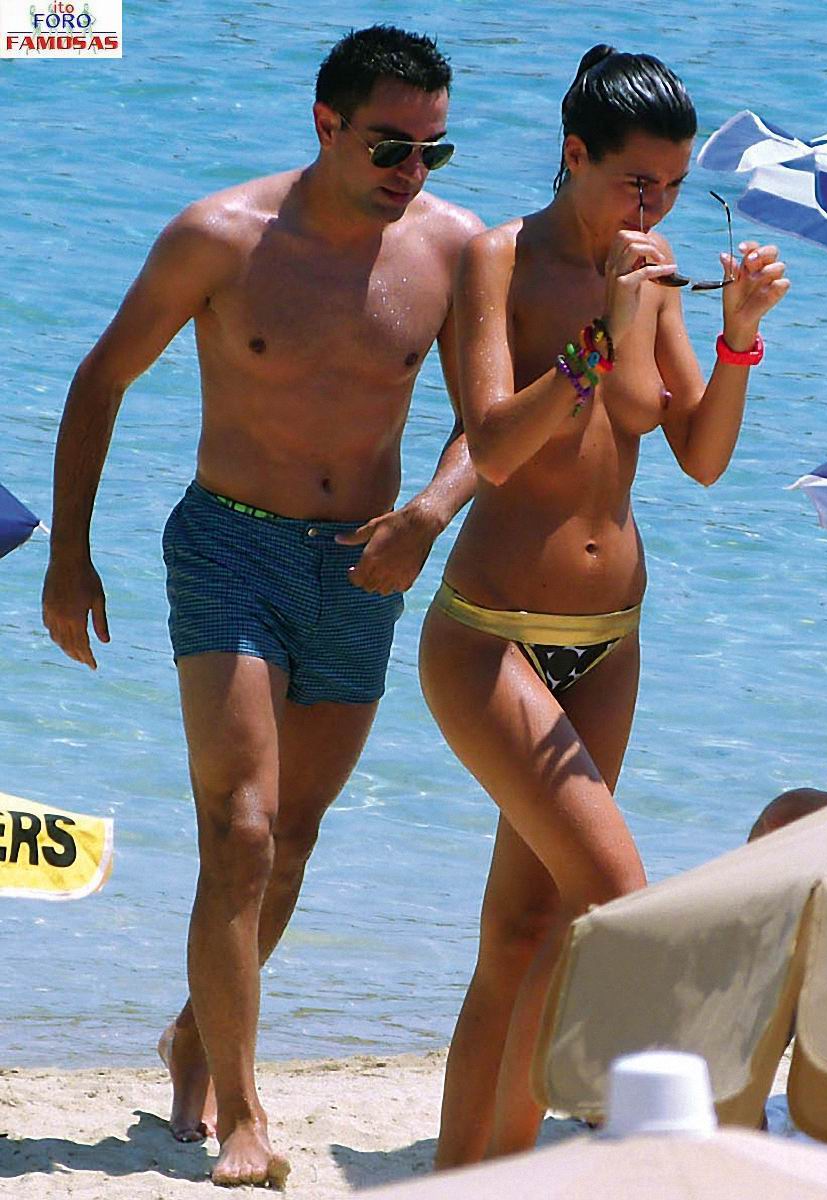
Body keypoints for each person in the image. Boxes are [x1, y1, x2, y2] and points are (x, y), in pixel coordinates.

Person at [42, 24, 481, 1189]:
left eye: (433, 150)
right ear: (326, 124)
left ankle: (195, 1035)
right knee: (239, 827)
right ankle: (242, 1108)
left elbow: (485, 416)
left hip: (366, 560)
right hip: (228, 545)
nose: (412, 172)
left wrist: (429, 516)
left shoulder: (451, 248)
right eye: (389, 146)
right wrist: (69, 555)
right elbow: (100, 379)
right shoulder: (220, 235)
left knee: (291, 841)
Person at [418, 43, 790, 1166]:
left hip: (610, 643)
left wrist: (736, 335)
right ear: (574, 153)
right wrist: (601, 340)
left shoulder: (656, 273)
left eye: (672, 186)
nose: (653, 207)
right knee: (615, 897)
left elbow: (701, 458)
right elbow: (490, 445)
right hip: (488, 640)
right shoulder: (496, 260)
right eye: (637, 181)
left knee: (523, 935)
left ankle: (473, 1177)